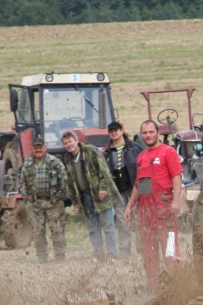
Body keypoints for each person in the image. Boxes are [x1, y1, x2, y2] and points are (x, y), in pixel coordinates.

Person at [124, 120, 184, 291]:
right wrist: (129, 206)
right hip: (146, 215)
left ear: (157, 133)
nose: (148, 135)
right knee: (148, 254)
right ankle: (153, 290)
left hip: (165, 212)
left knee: (171, 252)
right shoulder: (141, 157)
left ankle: (180, 288)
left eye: (151, 132)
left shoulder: (168, 151)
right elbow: (138, 184)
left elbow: (176, 177)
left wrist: (176, 201)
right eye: (145, 133)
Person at [61, 130, 120, 261]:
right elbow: (70, 182)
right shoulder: (67, 159)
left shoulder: (91, 151)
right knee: (93, 228)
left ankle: (112, 256)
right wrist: (75, 203)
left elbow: (104, 170)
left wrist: (103, 188)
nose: (68, 145)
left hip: (100, 195)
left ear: (76, 141)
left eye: (70, 141)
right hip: (85, 197)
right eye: (65, 143)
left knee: (108, 226)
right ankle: (99, 255)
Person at [19, 135, 69, 263]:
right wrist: (28, 200)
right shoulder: (27, 165)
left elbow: (64, 182)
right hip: (35, 205)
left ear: (45, 148)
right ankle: (42, 258)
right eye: (36, 147)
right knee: (38, 233)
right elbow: (22, 184)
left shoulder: (55, 162)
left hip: (54, 204)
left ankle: (60, 258)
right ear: (32, 149)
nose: (38, 150)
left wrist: (57, 198)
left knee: (58, 232)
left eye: (40, 147)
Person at [103, 121, 141, 257]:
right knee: (122, 221)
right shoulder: (107, 152)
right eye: (111, 131)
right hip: (118, 191)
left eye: (116, 130)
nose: (114, 133)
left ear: (121, 131)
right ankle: (125, 252)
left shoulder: (134, 147)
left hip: (134, 188)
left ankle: (141, 250)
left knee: (138, 219)